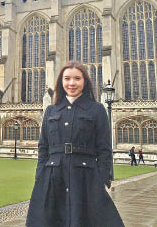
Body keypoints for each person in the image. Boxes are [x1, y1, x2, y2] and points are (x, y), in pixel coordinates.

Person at [26, 61, 124, 227]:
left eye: (77, 78)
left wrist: (101, 178)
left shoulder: (97, 109)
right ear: (61, 82)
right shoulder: (51, 110)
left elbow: (104, 149)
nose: (72, 83)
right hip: (53, 176)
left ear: (84, 81)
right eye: (67, 78)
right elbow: (43, 147)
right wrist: (40, 174)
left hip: (85, 177)